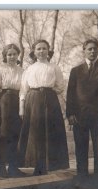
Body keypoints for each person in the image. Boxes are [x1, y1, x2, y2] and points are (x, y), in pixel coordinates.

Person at [18, 39, 70, 176]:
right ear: (34, 52)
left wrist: (49, 93)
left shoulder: (54, 67)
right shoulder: (29, 69)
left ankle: (49, 165)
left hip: (49, 100)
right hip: (33, 99)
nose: (41, 51)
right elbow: (23, 89)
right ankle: (36, 165)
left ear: (48, 51)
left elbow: (60, 86)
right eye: (39, 49)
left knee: (49, 131)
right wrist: (22, 108)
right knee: (35, 132)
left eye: (44, 49)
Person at [66, 38, 98, 177]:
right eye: (89, 49)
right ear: (84, 51)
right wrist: (70, 114)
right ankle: (82, 179)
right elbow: (70, 94)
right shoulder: (75, 71)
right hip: (79, 117)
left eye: (95, 49)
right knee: (81, 149)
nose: (92, 51)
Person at [0, 44, 25, 177]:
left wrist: (22, 107)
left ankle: (13, 167)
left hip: (17, 104)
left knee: (16, 135)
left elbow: (24, 90)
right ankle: (0, 167)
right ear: (5, 56)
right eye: (9, 54)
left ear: (18, 55)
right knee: (2, 136)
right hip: (3, 103)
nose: (12, 57)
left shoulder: (22, 71)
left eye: (14, 54)